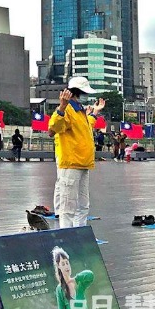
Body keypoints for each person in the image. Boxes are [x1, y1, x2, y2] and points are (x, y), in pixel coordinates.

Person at [48, 77, 104, 228]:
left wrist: (94, 113)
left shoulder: (79, 110)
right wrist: (61, 107)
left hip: (83, 163)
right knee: (68, 205)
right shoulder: (68, 109)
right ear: (78, 92)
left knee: (83, 204)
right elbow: (52, 129)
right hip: (71, 163)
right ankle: (67, 234)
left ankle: (80, 231)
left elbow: (84, 128)